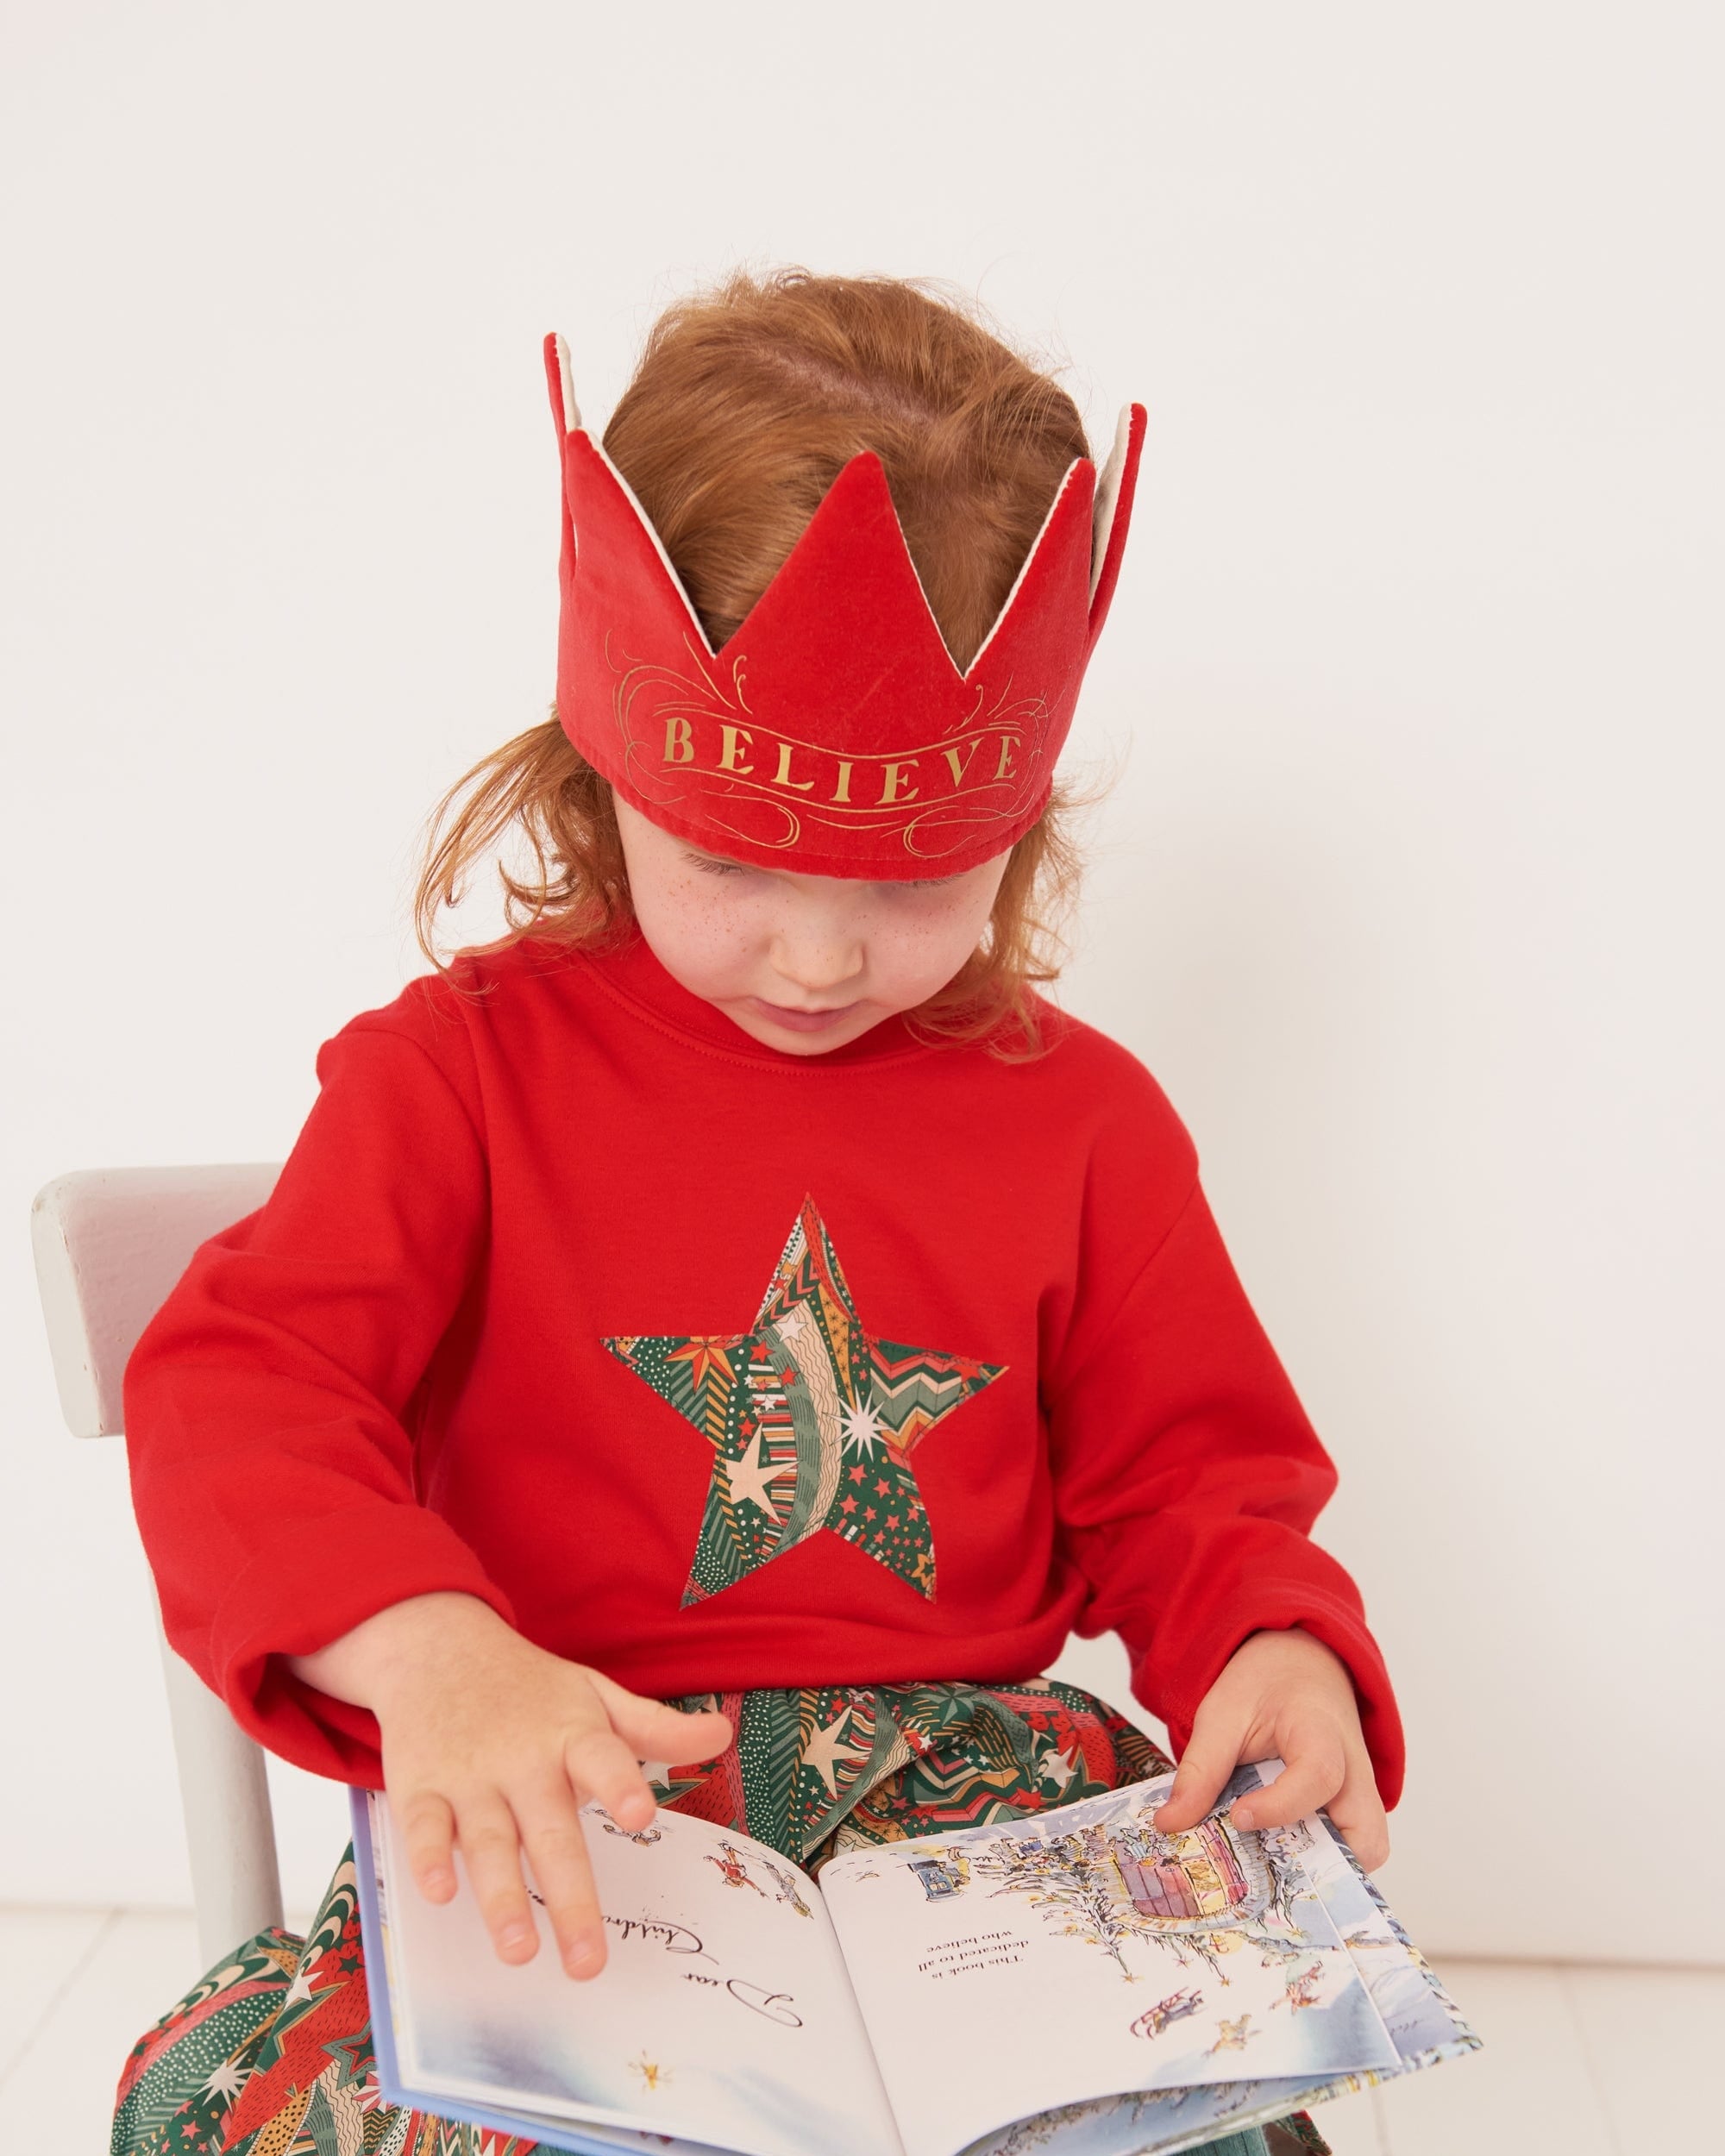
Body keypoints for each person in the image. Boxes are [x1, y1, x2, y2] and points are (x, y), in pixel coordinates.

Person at [111, 270, 1403, 2156]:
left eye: (914, 881)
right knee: (231, 2112)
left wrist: (1273, 1639)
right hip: (577, 1827)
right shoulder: (453, 1078)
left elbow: (1193, 1483)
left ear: (1015, 827)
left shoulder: (1089, 1121)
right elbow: (241, 1392)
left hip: (982, 1837)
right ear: (603, 771)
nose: (817, 951)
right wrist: (426, 1648)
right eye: (732, 857)